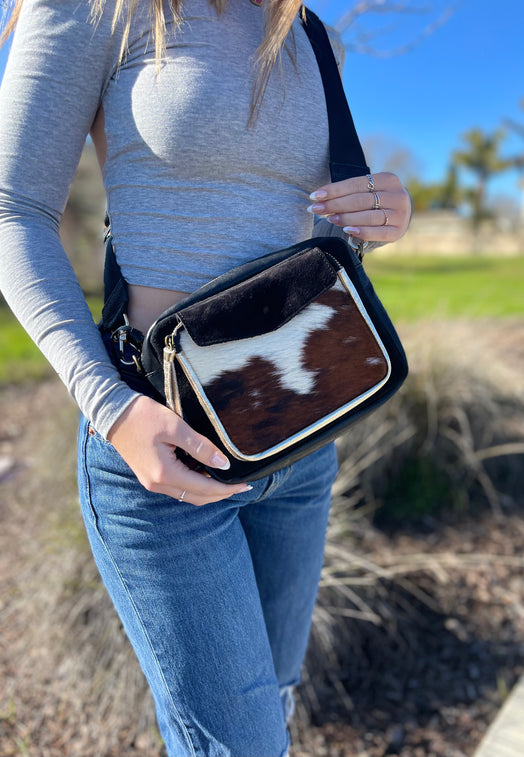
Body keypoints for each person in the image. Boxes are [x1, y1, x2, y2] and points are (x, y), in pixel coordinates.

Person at [0, 0, 411, 754]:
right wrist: (112, 409)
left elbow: (298, 242)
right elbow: (12, 212)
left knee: (270, 708)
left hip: (299, 436)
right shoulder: (93, 10)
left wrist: (377, 215)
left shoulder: (312, 35)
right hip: (160, 444)